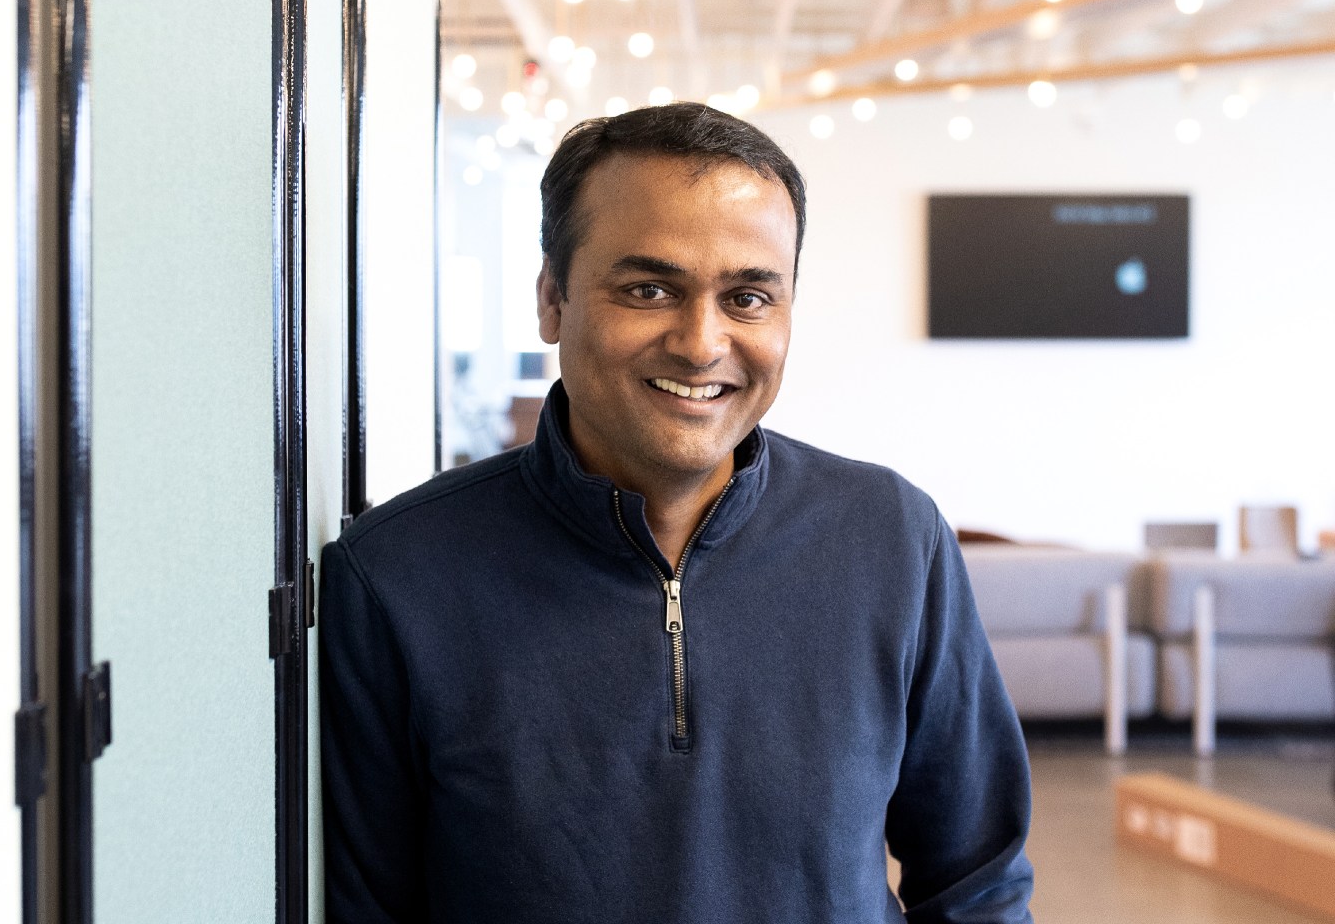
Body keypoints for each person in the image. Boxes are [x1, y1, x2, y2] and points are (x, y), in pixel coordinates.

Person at [320, 102, 1035, 923]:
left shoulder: (894, 540)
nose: (701, 343)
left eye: (749, 297)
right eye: (649, 288)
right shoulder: (396, 577)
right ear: (552, 299)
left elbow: (977, 881)